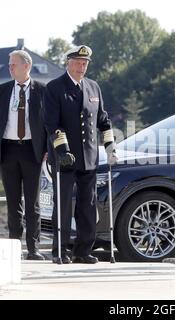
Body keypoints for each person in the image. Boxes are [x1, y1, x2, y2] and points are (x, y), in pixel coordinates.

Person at [44, 45, 117, 264]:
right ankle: (60, 250)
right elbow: (52, 124)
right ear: (69, 62)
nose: (81, 67)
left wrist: (110, 147)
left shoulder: (94, 87)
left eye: (84, 64)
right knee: (64, 205)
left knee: (88, 205)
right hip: (65, 157)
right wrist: (62, 150)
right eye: (77, 63)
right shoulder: (55, 88)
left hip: (89, 158)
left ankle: (83, 250)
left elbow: (103, 120)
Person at [0, 50, 47, 260]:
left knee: (32, 203)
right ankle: (14, 248)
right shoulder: (3, 90)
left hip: (32, 151)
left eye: (13, 64)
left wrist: (46, 149)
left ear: (26, 66)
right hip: (8, 150)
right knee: (12, 202)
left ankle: (33, 249)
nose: (10, 68)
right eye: (9, 65)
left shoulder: (42, 91)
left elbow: (49, 123)